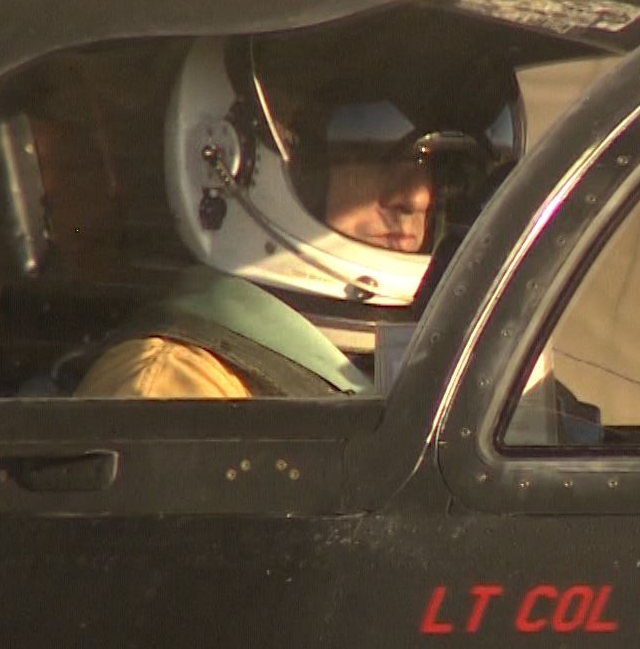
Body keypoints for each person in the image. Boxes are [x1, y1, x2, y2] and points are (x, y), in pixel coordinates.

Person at [74, 26, 522, 399]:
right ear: (227, 158)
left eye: (440, 165)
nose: (419, 197)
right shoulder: (179, 386)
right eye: (374, 153)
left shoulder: (449, 363)